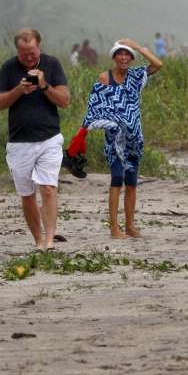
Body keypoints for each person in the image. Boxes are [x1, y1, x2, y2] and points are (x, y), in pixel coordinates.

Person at [66, 39, 163, 238]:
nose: (124, 57)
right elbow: (95, 106)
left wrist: (136, 46)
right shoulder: (105, 78)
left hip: (134, 138)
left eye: (128, 55)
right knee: (117, 179)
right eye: (120, 54)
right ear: (114, 57)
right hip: (114, 139)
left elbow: (157, 64)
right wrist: (88, 128)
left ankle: (130, 226)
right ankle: (114, 228)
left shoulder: (136, 76)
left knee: (132, 182)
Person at [0, 29, 70, 252]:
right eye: (23, 52)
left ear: (40, 46)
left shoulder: (52, 64)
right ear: (17, 50)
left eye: (32, 51)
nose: (28, 56)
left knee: (48, 188)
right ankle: (38, 240)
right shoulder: (8, 68)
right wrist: (19, 89)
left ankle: (50, 239)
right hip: (19, 142)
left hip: (49, 138)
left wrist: (44, 85)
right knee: (27, 194)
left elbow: (65, 101)